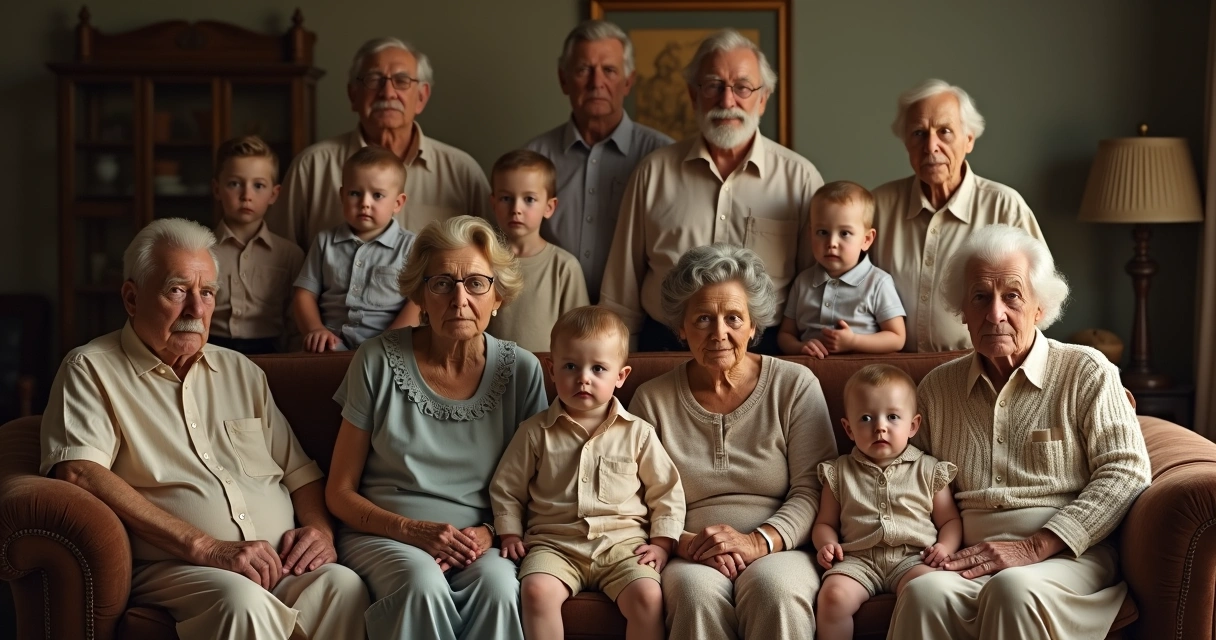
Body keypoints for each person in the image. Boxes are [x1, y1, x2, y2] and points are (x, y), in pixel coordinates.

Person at [40, 218, 368, 640]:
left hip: (276, 562)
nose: (196, 310)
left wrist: (320, 533)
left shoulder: (241, 371)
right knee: (242, 603)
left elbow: (300, 473)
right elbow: (78, 470)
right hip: (176, 566)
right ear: (131, 297)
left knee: (343, 586)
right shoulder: (90, 369)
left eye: (207, 293)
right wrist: (206, 546)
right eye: (177, 290)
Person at [889, 225, 1152, 639]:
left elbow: (1126, 471)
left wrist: (1033, 547)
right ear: (963, 310)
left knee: (1012, 588)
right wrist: (918, 555)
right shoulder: (938, 389)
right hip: (968, 557)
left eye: (1012, 295)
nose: (995, 313)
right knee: (924, 593)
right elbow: (906, 480)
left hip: (1067, 557)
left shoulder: (1085, 371)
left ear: (1039, 308)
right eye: (980, 297)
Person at [324, 215, 549, 640]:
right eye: (442, 283)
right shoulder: (375, 359)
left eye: (477, 283)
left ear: (498, 297)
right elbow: (339, 491)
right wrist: (412, 531)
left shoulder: (523, 370)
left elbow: (540, 489)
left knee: (500, 587)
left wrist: (489, 532)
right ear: (421, 296)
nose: (459, 299)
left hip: (480, 540)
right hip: (386, 535)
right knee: (421, 583)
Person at [628, 244, 838, 639]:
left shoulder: (794, 386)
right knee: (692, 594)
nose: (719, 334)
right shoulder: (651, 400)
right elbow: (634, 500)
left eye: (734, 318)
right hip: (687, 550)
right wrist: (687, 545)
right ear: (681, 327)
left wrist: (759, 541)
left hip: (781, 546)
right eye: (703, 318)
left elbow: (815, 488)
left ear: (754, 325)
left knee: (773, 590)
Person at [600, 29, 823, 354]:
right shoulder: (653, 172)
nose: (727, 100)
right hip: (665, 346)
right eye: (713, 86)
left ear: (763, 99)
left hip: (767, 350)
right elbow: (621, 288)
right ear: (693, 95)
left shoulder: (800, 180)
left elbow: (815, 282)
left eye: (742, 87)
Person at [490, 306, 684, 640]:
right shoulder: (535, 432)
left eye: (598, 368)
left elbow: (665, 491)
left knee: (648, 596)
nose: (583, 377)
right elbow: (507, 488)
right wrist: (508, 533)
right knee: (536, 591)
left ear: (621, 376)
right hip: (555, 545)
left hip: (623, 546)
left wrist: (662, 544)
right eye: (570, 366)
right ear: (551, 370)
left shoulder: (638, 433)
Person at [870, 79, 1046, 352]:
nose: (931, 146)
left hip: (976, 368)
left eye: (945, 131)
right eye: (918, 133)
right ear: (906, 142)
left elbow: (1040, 300)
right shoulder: (878, 206)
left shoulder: (1005, 206)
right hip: (894, 373)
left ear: (969, 140)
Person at [272, 37, 490, 248]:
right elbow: (279, 257)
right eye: (374, 80)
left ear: (421, 97)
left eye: (402, 81)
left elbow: (494, 255)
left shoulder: (463, 172)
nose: (387, 92)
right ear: (353, 95)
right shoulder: (312, 167)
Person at [525, 20, 673, 301]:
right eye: (583, 70)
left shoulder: (662, 157)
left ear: (628, 81)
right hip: (551, 317)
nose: (597, 83)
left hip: (635, 323)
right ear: (563, 79)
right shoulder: (534, 157)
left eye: (609, 70)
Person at [812, 364, 961, 640]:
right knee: (833, 597)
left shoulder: (929, 469)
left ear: (913, 425)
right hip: (858, 560)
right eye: (866, 418)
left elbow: (950, 520)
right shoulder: (839, 471)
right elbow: (824, 522)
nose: (880, 427)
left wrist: (945, 546)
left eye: (893, 417)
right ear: (848, 429)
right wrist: (826, 544)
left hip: (913, 557)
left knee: (930, 591)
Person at [292, 146, 418, 352]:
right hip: (330, 345)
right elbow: (304, 295)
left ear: (398, 203)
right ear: (342, 195)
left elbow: (418, 302)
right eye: (354, 193)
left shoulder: (411, 246)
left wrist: (392, 339)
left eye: (377, 195)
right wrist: (315, 329)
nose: (364, 203)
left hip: (388, 348)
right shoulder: (324, 241)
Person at [777, 181, 905, 358]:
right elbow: (785, 335)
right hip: (810, 372)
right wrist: (800, 347)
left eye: (844, 233)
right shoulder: (803, 281)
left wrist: (854, 341)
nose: (831, 243)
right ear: (810, 233)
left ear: (866, 239)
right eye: (822, 232)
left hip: (861, 374)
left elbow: (897, 338)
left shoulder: (878, 282)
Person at [208, 135, 304, 354]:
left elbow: (295, 325)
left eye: (258, 185)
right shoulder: (200, 251)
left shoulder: (290, 255)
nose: (246, 195)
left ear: (274, 194)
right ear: (217, 189)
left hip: (270, 354)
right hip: (210, 351)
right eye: (234, 184)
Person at [486, 150, 589, 353]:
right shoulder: (481, 260)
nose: (516, 208)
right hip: (486, 372)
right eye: (506, 198)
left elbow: (579, 335)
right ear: (493, 203)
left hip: (544, 376)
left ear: (549, 207)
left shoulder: (564, 267)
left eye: (529, 199)